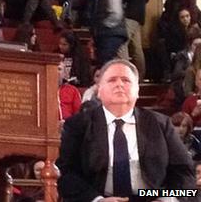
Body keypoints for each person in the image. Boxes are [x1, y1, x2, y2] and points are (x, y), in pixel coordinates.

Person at [56, 59, 197, 202]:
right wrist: (97, 200)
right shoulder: (78, 125)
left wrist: (167, 199)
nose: (119, 84)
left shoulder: (161, 124)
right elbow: (67, 172)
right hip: (100, 197)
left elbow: (185, 171)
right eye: (112, 80)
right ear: (99, 90)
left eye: (126, 80)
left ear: (137, 91)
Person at [115, 0, 149, 80]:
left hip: (129, 13)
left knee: (121, 43)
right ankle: (140, 77)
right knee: (137, 48)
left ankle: (126, 75)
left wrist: (123, 0)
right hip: (139, 15)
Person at [84, 0, 128, 67]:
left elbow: (116, 14)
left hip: (111, 32)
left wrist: (101, 27)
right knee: (103, 60)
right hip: (106, 32)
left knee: (105, 60)